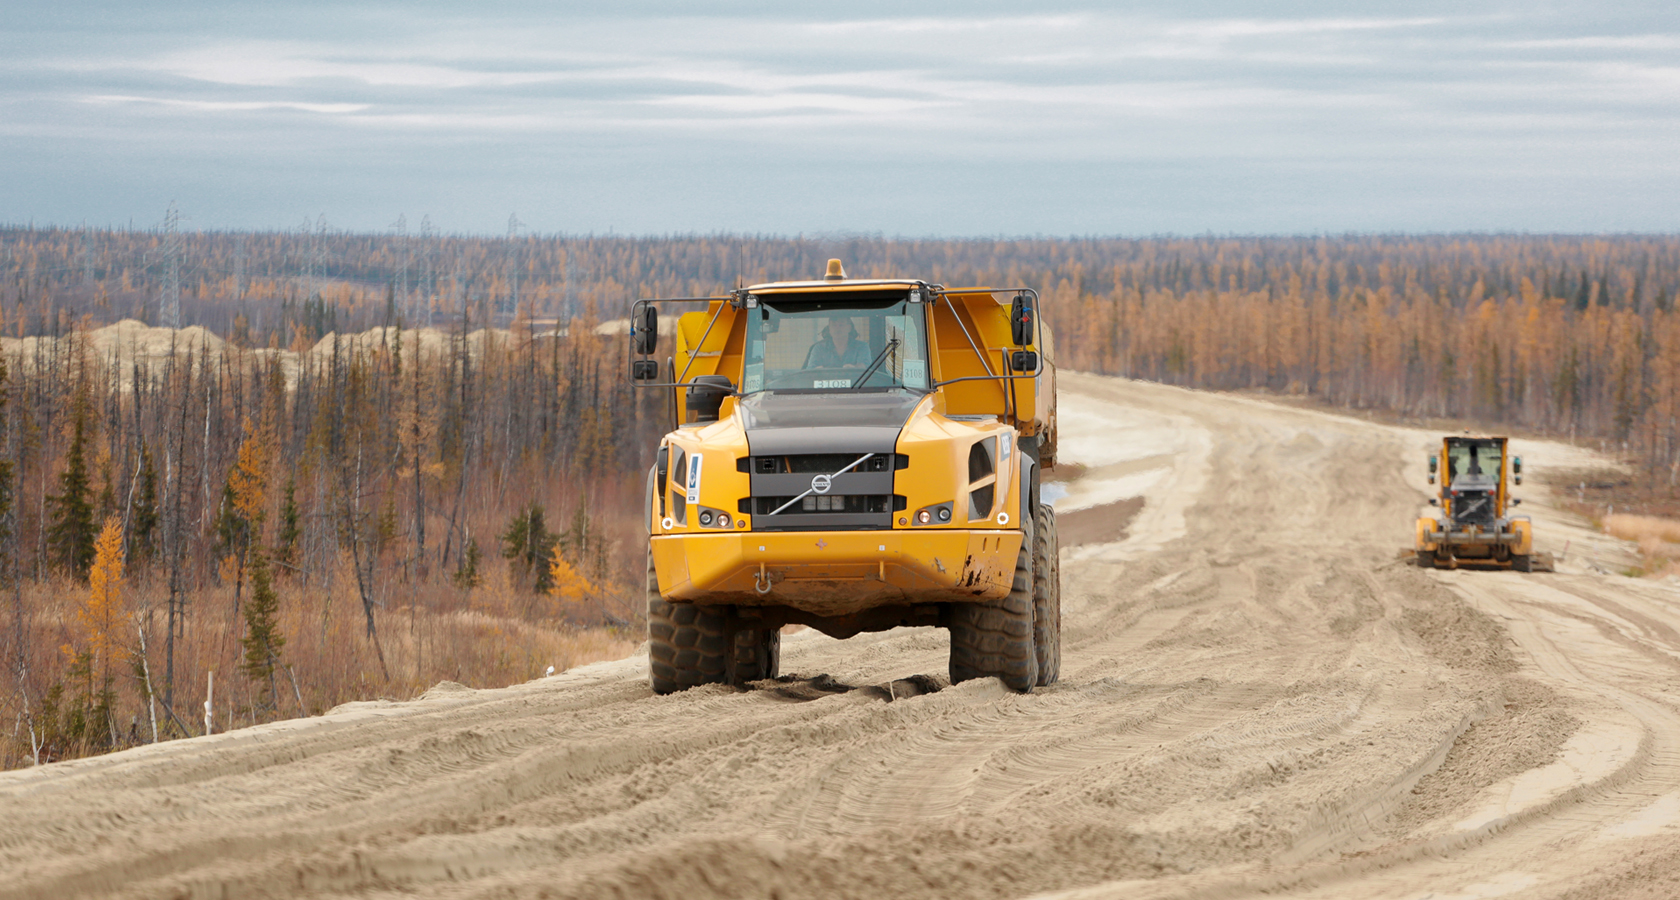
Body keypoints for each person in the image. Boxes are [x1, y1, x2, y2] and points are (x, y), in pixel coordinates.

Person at [805, 316, 872, 368]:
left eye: (841, 325)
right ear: (829, 329)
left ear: (849, 328)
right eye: (834, 325)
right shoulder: (818, 348)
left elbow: (866, 368)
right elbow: (810, 372)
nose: (837, 328)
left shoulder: (862, 347)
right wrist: (819, 371)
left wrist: (854, 368)